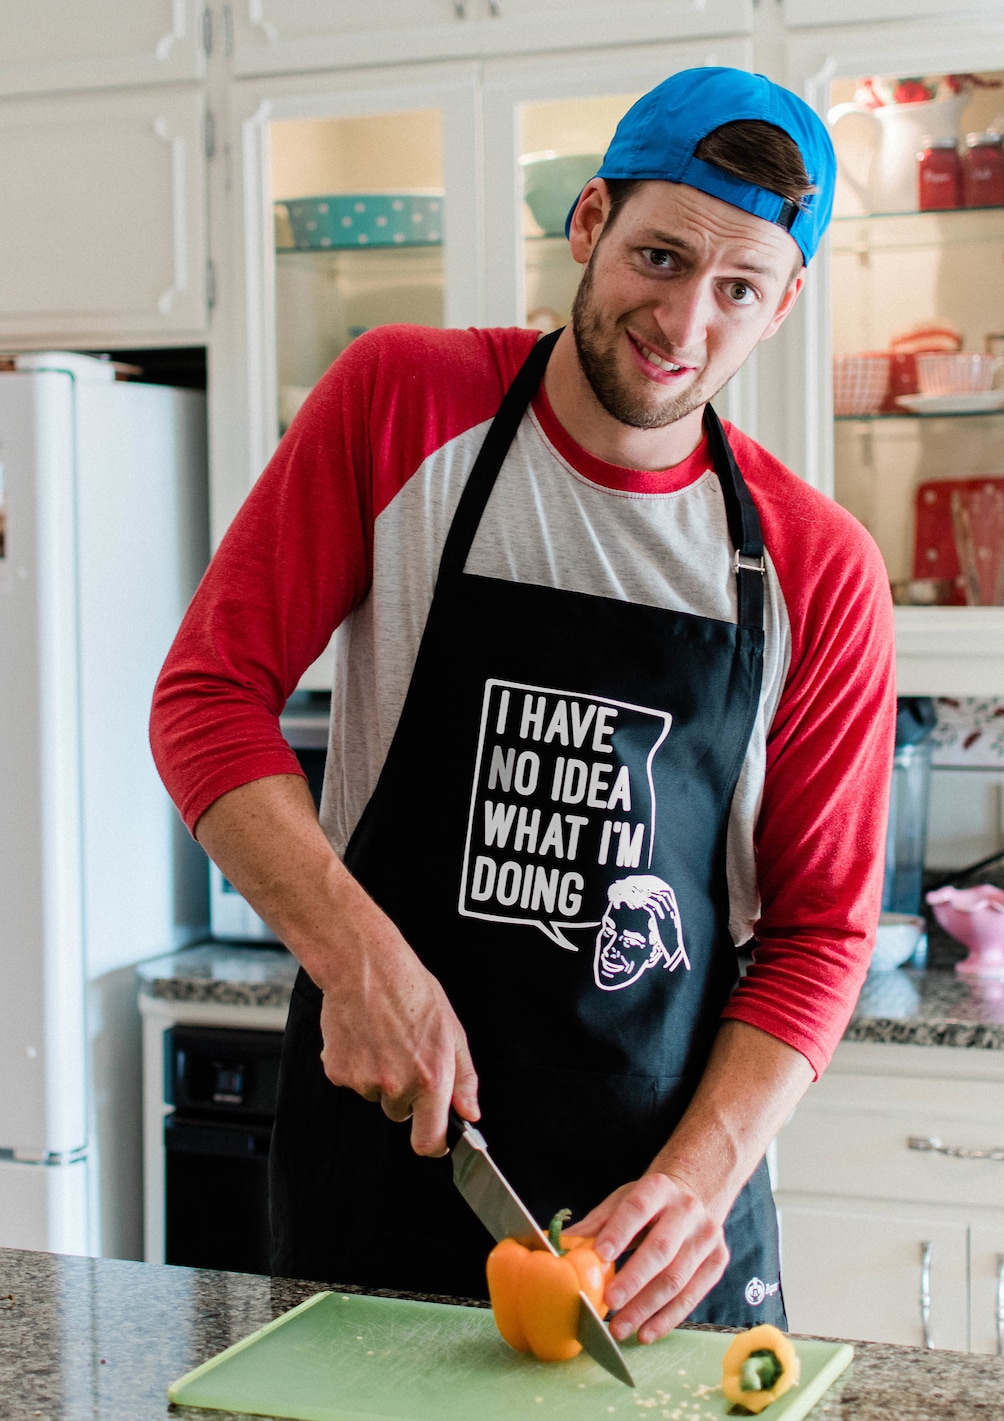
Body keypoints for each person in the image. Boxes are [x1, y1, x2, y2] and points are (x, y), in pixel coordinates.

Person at [151, 67, 896, 1344]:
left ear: (785, 304)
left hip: (657, 1218)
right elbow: (208, 699)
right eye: (658, 256)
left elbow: (822, 929)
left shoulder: (812, 564)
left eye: (737, 289)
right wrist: (355, 956)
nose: (682, 322)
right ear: (591, 222)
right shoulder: (403, 405)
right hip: (391, 1159)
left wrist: (698, 1176)